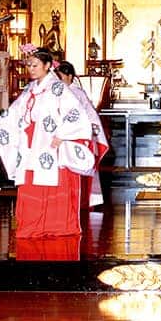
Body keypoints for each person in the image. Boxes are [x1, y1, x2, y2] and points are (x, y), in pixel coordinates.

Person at [0, 46, 96, 238]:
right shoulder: (29, 89)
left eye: (35, 65)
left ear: (47, 65)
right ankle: (32, 225)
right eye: (29, 65)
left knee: (50, 181)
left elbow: (75, 113)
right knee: (30, 182)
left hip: (50, 143)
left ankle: (56, 226)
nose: (31, 68)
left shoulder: (59, 88)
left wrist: (63, 134)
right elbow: (14, 114)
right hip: (30, 144)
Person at [55, 60, 110, 216]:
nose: (59, 80)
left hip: (76, 136)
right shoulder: (56, 92)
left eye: (61, 76)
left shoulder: (77, 93)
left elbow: (88, 116)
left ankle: (82, 200)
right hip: (61, 136)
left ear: (70, 76)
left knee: (77, 168)